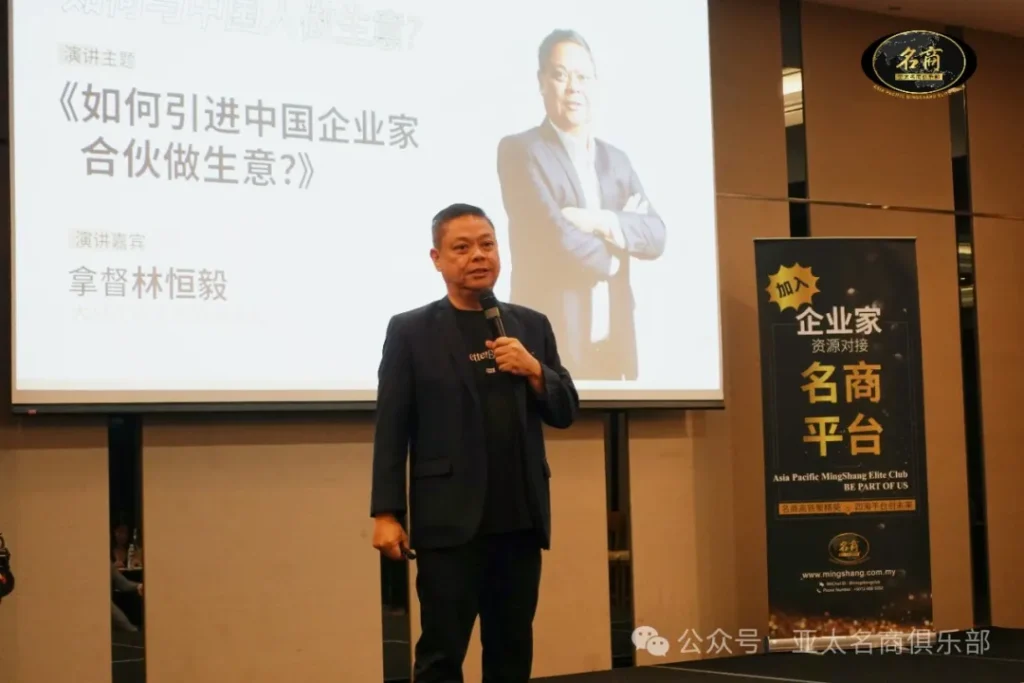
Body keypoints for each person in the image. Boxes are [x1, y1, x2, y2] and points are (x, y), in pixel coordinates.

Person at [370, 202, 579, 682]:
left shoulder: (530, 325)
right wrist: (386, 513)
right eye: (461, 248)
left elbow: (565, 411)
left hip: (520, 520)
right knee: (441, 654)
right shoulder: (411, 331)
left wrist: (535, 370)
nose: (478, 256)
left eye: (487, 244)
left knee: (511, 650)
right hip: (449, 524)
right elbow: (392, 427)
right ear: (437, 259)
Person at [496, 29, 667, 382]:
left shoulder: (616, 161)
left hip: (614, 345)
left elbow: (656, 235)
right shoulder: (521, 150)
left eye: (582, 77)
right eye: (561, 75)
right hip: (549, 349)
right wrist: (617, 255)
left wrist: (598, 221)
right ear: (542, 82)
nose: (573, 87)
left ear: (595, 84)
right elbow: (554, 240)